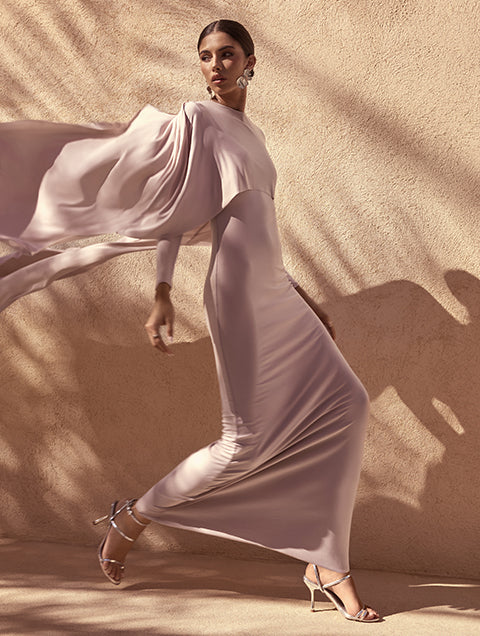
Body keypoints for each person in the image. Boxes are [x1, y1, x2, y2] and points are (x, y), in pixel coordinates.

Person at [0, 19, 380, 624]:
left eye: (227, 54)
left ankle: (324, 562)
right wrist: (161, 292)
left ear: (250, 62)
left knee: (349, 403)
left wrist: (303, 297)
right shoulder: (199, 120)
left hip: (275, 290)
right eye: (205, 56)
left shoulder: (254, 134)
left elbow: (259, 229)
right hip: (237, 296)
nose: (215, 65)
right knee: (243, 443)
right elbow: (176, 217)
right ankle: (133, 518)